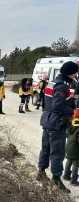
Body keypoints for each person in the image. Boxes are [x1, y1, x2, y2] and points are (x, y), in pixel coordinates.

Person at [37, 61, 78, 193]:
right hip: (56, 122)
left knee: (46, 148)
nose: (76, 74)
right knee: (58, 152)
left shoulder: (53, 82)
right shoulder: (62, 86)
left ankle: (41, 172)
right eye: (75, 72)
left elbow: (49, 101)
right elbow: (57, 105)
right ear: (71, 73)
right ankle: (56, 179)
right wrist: (72, 111)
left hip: (47, 119)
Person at [63, 109, 79, 185]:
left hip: (68, 146)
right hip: (76, 149)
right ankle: (74, 180)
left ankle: (66, 175)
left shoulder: (72, 127)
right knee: (76, 163)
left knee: (69, 160)